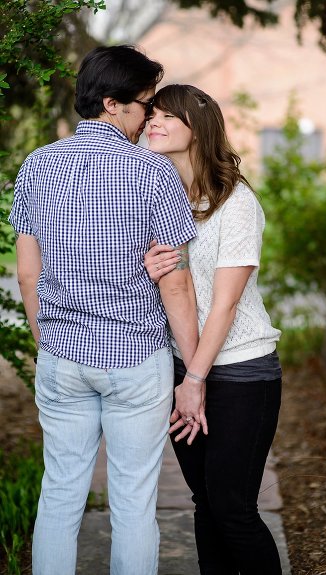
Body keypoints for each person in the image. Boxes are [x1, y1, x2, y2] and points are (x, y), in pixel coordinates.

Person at [9, 45, 199, 575]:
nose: (148, 118)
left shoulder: (39, 164)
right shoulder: (153, 173)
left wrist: (44, 337)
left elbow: (29, 272)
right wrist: (194, 371)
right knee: (135, 502)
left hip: (62, 355)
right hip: (135, 359)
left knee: (60, 493)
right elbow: (176, 284)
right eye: (144, 105)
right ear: (113, 105)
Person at [142, 84, 283, 575]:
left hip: (242, 373)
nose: (151, 122)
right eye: (150, 114)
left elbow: (224, 305)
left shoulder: (236, 204)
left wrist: (195, 383)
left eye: (164, 115)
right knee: (206, 503)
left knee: (233, 508)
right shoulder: (163, 200)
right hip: (185, 369)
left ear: (195, 126)